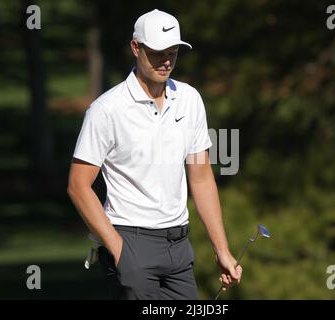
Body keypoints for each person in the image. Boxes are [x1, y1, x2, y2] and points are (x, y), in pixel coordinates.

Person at [67, 8, 242, 300]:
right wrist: (120, 250)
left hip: (179, 248)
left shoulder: (190, 99)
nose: (166, 60)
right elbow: (78, 185)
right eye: (158, 52)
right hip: (131, 241)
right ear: (136, 48)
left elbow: (200, 178)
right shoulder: (106, 110)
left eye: (172, 52)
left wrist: (221, 249)